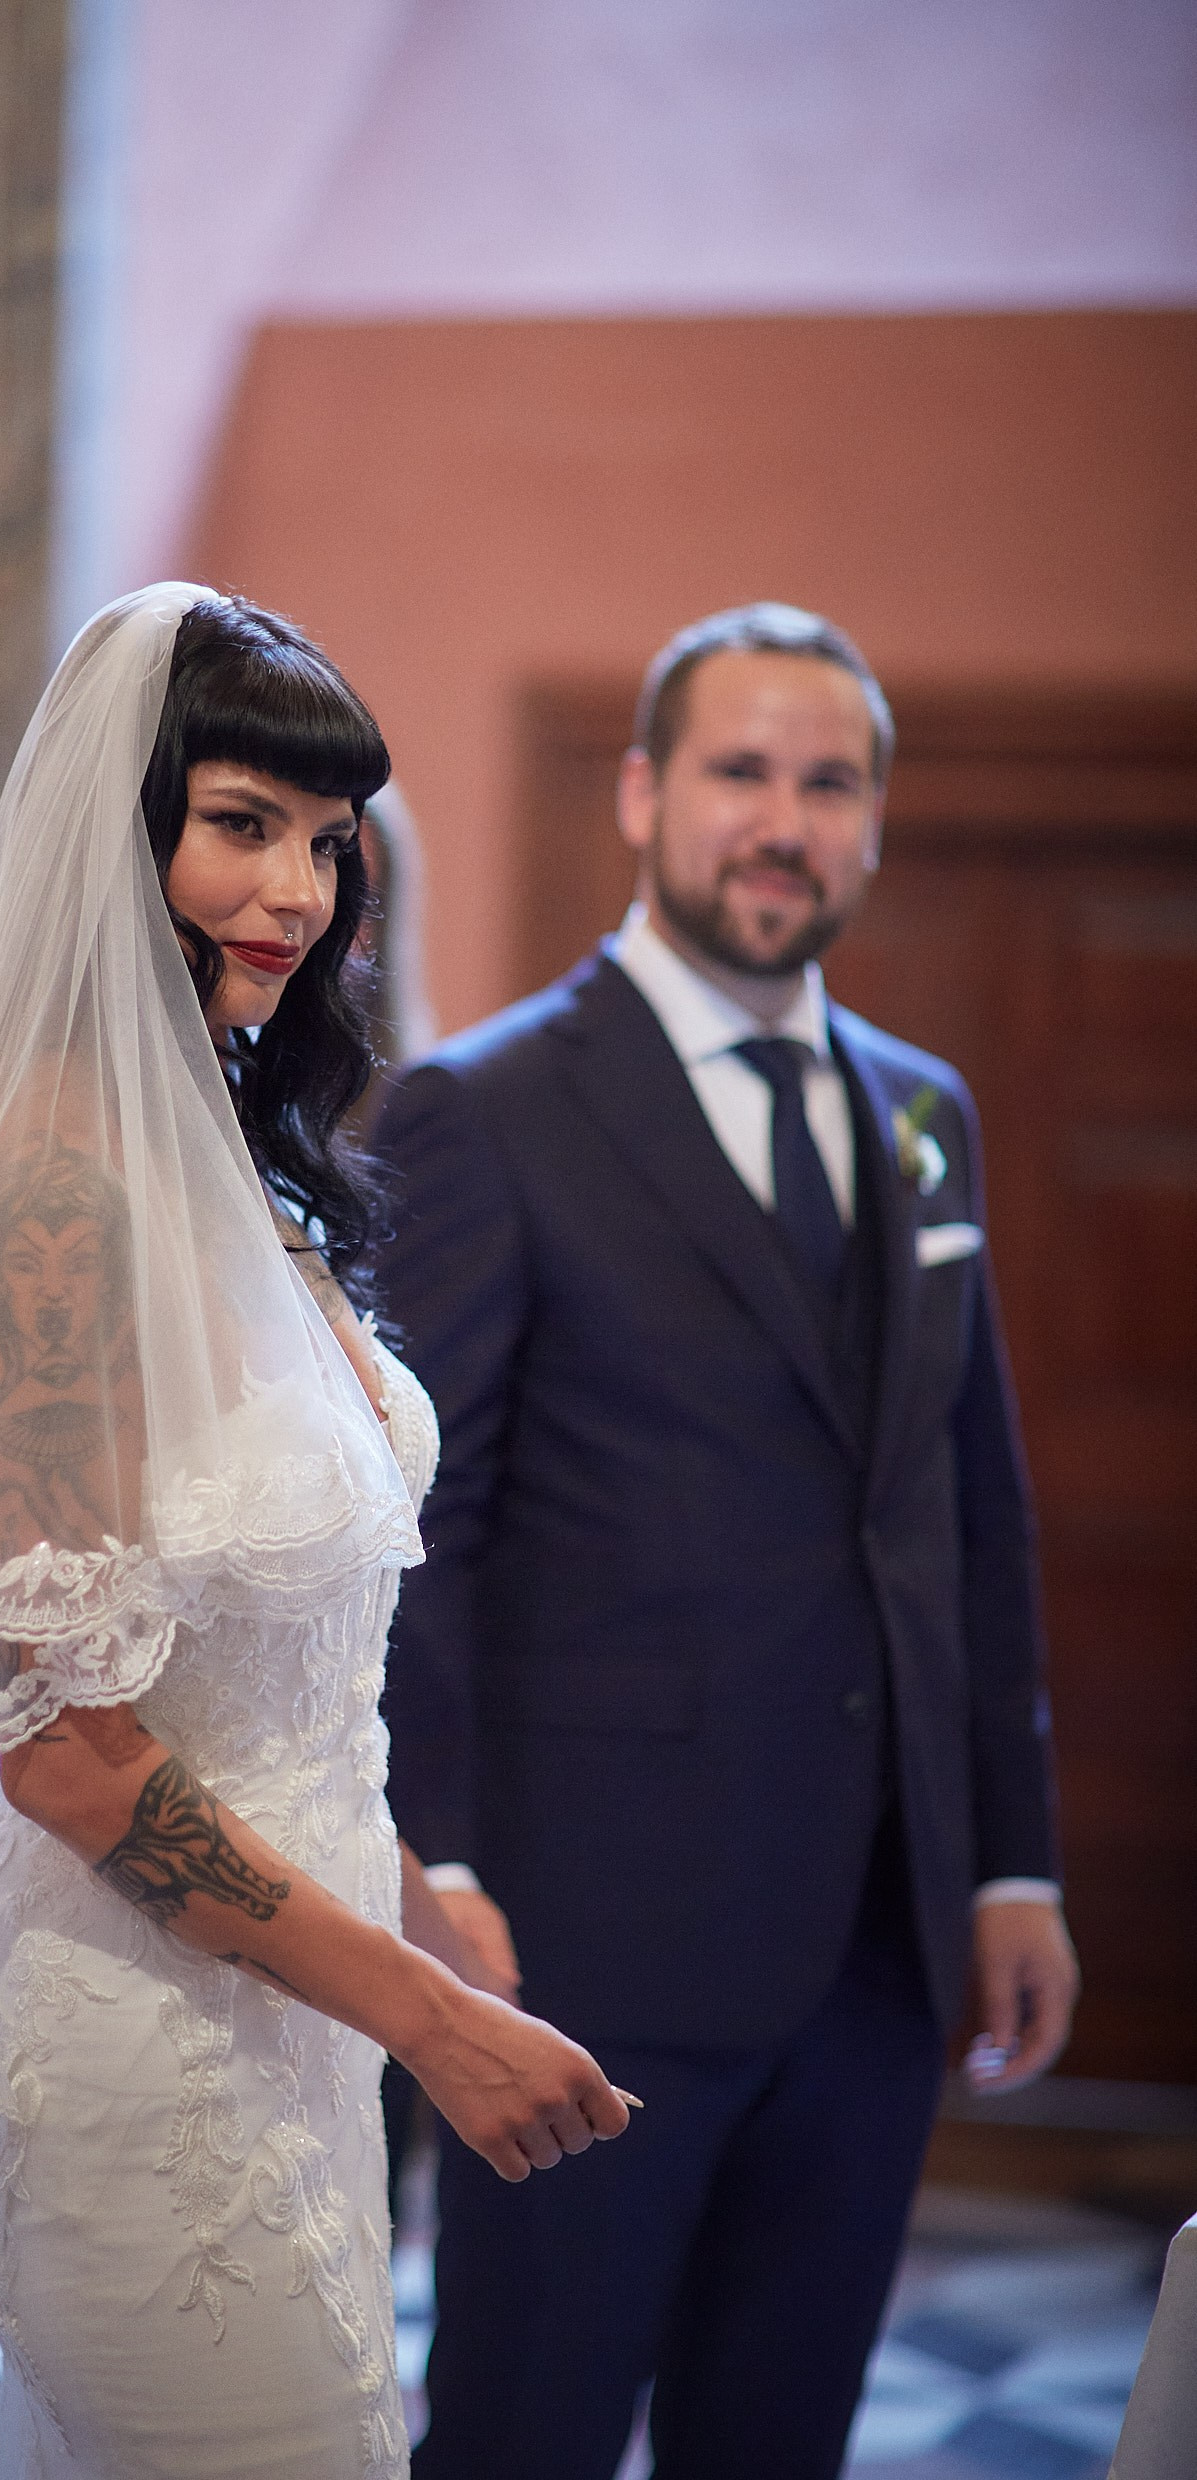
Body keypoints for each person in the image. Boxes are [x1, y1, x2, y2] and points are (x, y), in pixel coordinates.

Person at [0, 586, 627, 2480]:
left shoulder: (234, 1157)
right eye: (241, 824)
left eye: (325, 841)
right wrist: (430, 2018)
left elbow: (266, 1669)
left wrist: (417, 1904)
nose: (298, 892)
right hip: (151, 2054)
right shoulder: (50, 1196)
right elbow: (70, 1759)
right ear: (122, 830)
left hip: (303, 2016)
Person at [373, 602, 1081, 2480]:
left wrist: (1010, 1866)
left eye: (828, 784)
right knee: (522, 2435)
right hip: (582, 1938)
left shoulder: (923, 1116)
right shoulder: (487, 1111)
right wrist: (435, 1859)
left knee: (778, 2441)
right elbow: (420, 1530)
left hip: (876, 1947)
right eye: (739, 772)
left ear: (872, 823)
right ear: (641, 794)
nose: (782, 822)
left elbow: (966, 1510)